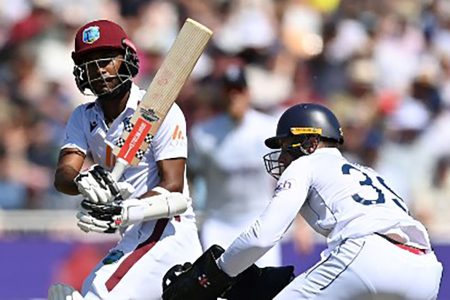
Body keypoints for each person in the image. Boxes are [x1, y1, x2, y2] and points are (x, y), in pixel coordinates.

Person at [162, 103, 443, 299]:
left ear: (309, 144)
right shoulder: (370, 173)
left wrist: (215, 275)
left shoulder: (306, 164)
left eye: (286, 147)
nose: (282, 157)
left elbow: (263, 236)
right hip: (426, 270)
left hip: (367, 257)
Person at [50, 19, 202, 300]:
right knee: (88, 291)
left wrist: (123, 210)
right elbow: (64, 175)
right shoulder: (83, 117)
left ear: (127, 59)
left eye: (107, 59)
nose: (99, 69)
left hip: (166, 229)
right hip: (133, 235)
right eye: (90, 62)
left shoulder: (158, 110)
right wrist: (83, 182)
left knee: (98, 294)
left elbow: (173, 187)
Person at [189, 64, 281, 267]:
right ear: (222, 95)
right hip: (219, 223)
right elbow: (190, 177)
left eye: (238, 91)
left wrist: (299, 223)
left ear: (248, 93)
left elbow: (289, 176)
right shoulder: (203, 134)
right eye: (229, 91)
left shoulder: (269, 128)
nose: (234, 97)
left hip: (260, 221)